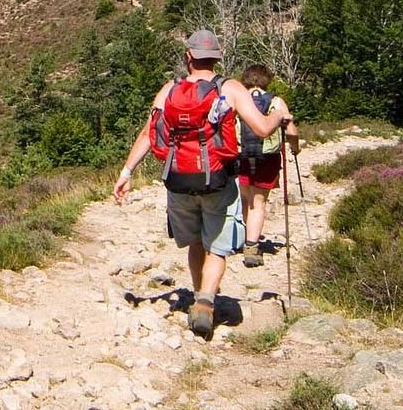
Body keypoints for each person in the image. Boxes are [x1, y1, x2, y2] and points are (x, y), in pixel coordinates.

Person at [112, 30, 291, 337]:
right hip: (217, 180)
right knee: (217, 248)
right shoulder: (231, 88)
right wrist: (280, 116)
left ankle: (198, 298)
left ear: (188, 57)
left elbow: (148, 134)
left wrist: (126, 173)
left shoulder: (169, 90)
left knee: (195, 242)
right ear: (217, 58)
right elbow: (262, 129)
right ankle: (206, 301)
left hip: (178, 181)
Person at [237, 64, 299, 267]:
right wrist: (295, 148)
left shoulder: (239, 99)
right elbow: (291, 132)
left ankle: (246, 238)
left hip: (242, 155)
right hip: (267, 158)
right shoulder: (276, 102)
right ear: (267, 80)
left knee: (247, 198)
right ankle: (252, 247)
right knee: (259, 202)